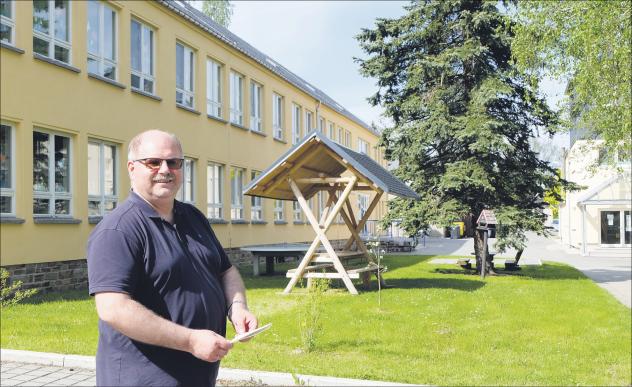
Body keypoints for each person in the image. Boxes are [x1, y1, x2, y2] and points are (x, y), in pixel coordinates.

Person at [87, 129, 257, 386]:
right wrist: (190, 340)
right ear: (132, 168)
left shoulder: (193, 216)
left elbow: (226, 271)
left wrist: (237, 307)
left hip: (196, 375)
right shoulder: (119, 229)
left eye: (174, 162)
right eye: (153, 162)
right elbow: (113, 308)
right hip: (143, 379)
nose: (165, 169)